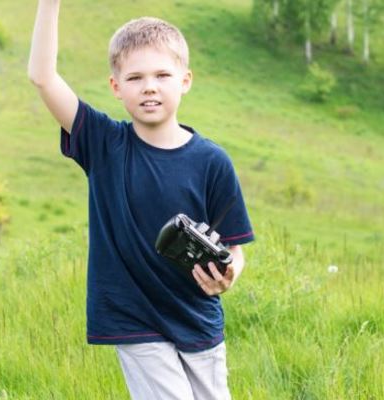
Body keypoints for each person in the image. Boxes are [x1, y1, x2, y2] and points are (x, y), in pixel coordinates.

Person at [27, 1, 255, 398]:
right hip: (135, 319)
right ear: (116, 87)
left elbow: (235, 247)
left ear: (185, 80)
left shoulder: (212, 162)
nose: (149, 86)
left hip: (198, 316)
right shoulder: (103, 144)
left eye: (162, 74)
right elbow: (43, 77)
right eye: (135, 77)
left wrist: (229, 274)